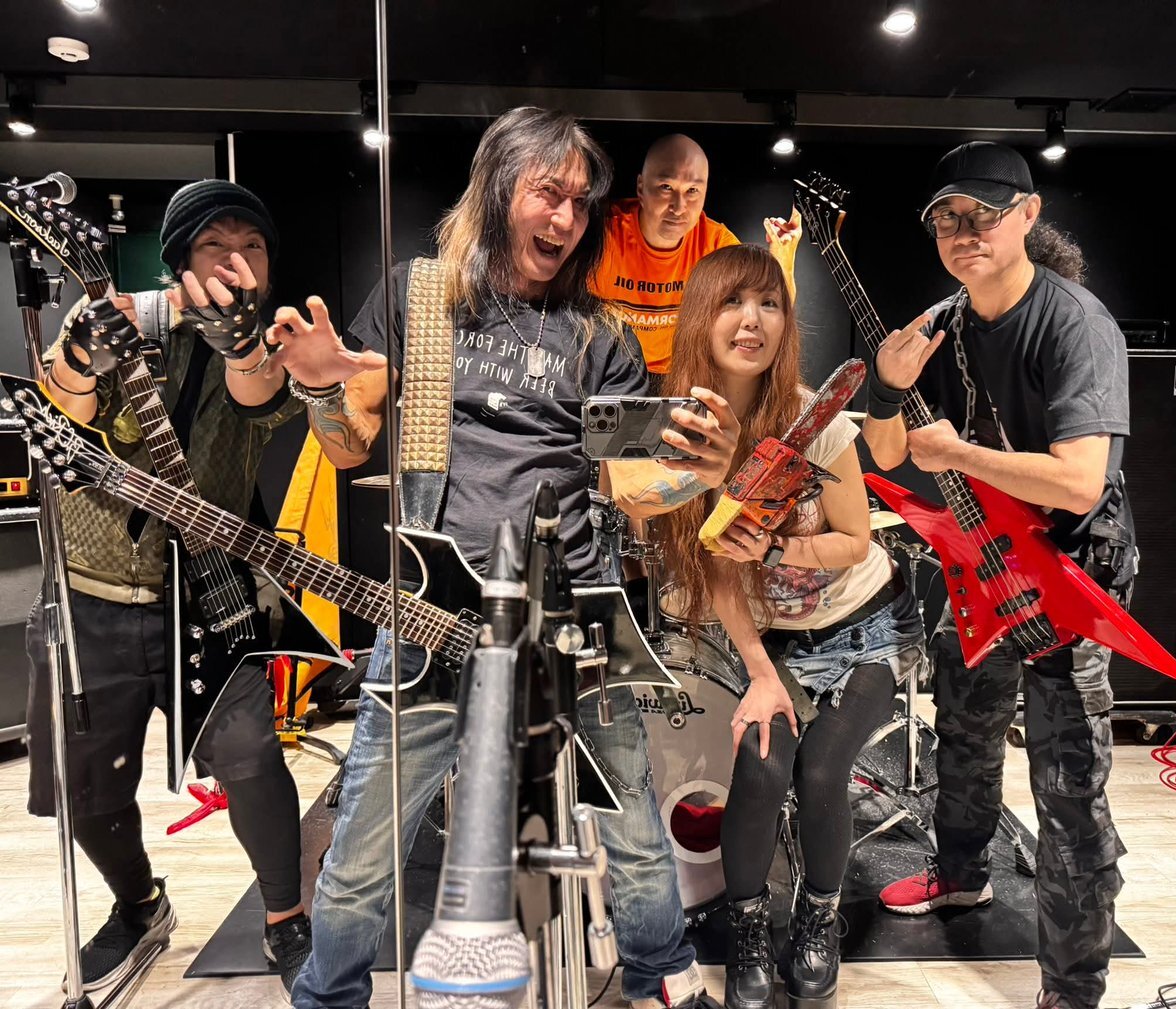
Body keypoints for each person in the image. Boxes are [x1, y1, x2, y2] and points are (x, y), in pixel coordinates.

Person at [268, 106, 741, 1009]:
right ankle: (328, 996)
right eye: (547, 193)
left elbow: (633, 481)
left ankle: (661, 974)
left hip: (576, 611)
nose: (565, 218)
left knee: (635, 822)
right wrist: (322, 387)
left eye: (580, 202)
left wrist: (701, 473)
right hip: (433, 613)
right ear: (496, 189)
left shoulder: (599, 334)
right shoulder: (423, 298)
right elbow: (348, 442)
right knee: (365, 840)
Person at [862, 142, 1134, 1009]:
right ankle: (962, 874)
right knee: (964, 727)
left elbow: (1080, 480)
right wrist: (885, 389)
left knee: (1068, 785)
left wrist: (960, 454)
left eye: (983, 214)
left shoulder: (1074, 323)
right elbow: (889, 452)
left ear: (1027, 215)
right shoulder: (943, 321)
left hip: (1072, 573)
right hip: (987, 564)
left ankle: (1072, 988)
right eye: (947, 218)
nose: (964, 231)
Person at [27, 179, 314, 994]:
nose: (235, 259)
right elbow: (65, 410)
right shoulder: (119, 317)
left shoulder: (271, 338)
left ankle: (285, 915)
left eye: (252, 246)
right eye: (215, 244)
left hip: (210, 590)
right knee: (87, 789)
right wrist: (79, 354)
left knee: (252, 759)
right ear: (178, 258)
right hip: (92, 592)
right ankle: (139, 903)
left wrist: (241, 344)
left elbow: (259, 399)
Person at [634, 244, 924, 1009]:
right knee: (762, 771)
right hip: (774, 640)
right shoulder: (680, 431)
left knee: (823, 773)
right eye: (733, 301)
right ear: (701, 316)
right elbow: (714, 574)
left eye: (769, 303)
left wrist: (773, 546)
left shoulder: (813, 418)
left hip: (863, 623)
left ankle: (818, 920)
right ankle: (751, 931)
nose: (752, 319)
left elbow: (854, 541)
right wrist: (762, 670)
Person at [590, 133, 801, 381]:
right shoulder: (601, 234)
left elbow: (773, 310)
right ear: (641, 188)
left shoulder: (716, 244)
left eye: (692, 191)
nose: (679, 207)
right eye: (666, 187)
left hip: (680, 373)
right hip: (610, 370)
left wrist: (784, 254)